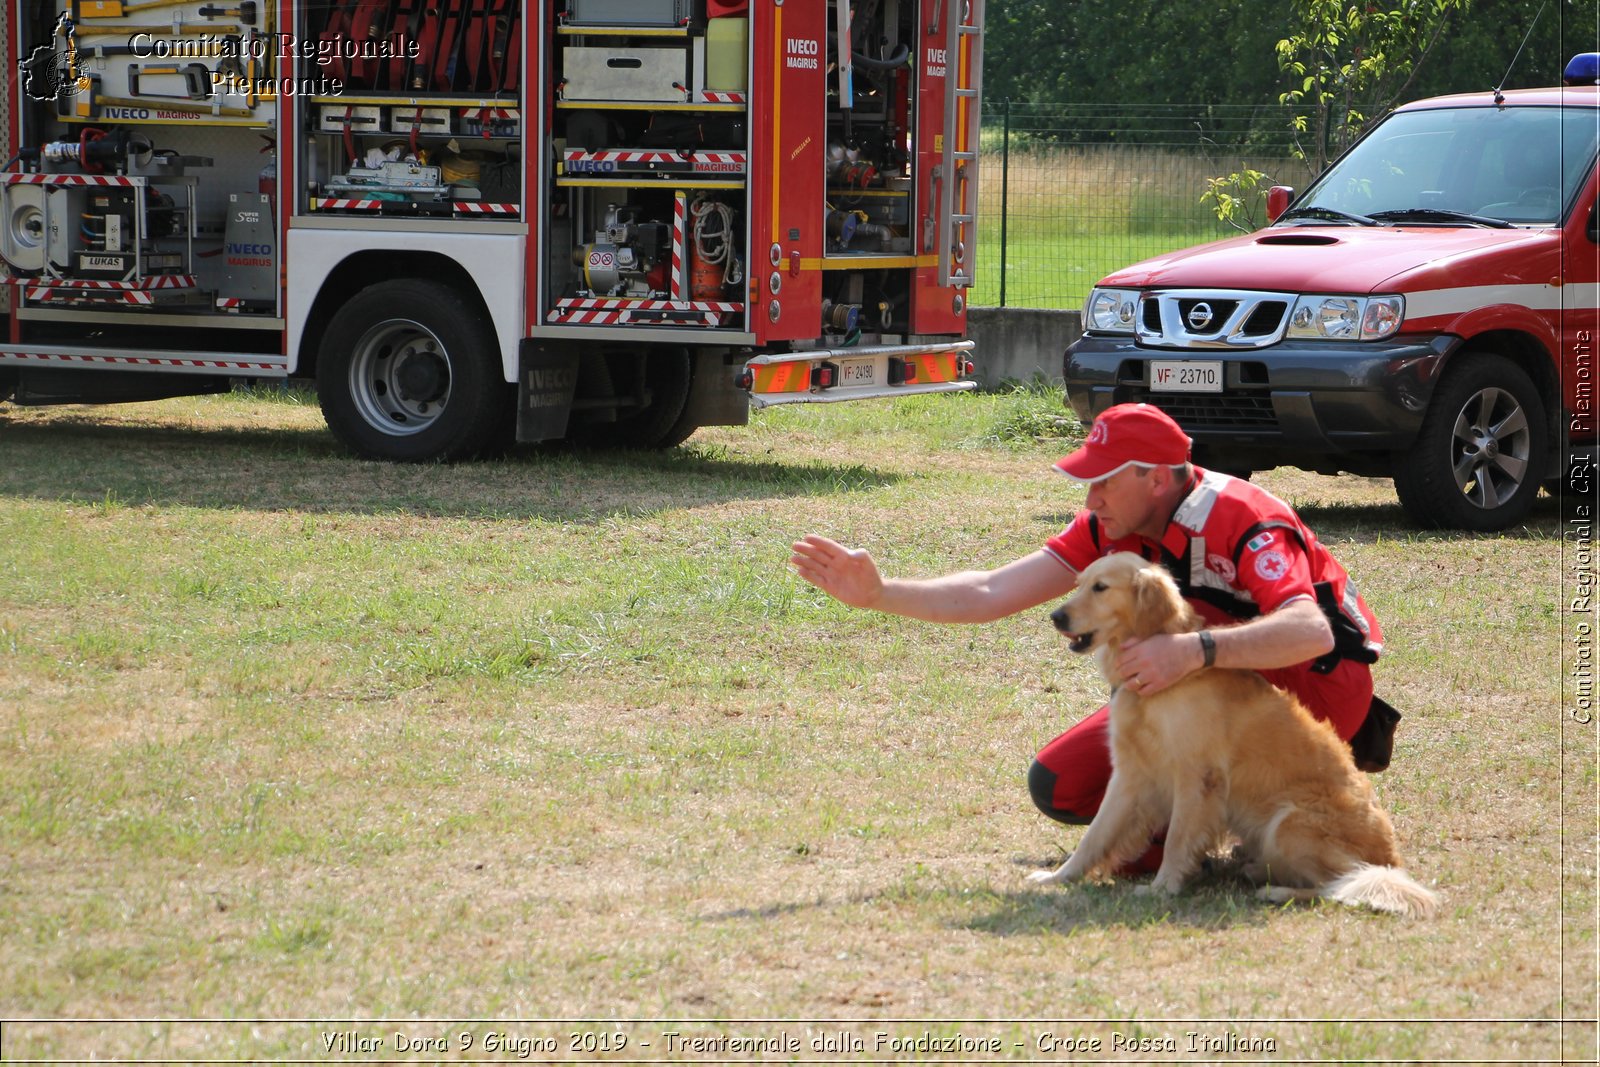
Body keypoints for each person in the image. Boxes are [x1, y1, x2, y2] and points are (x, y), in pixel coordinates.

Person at [790, 403, 1383, 868]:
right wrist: (881, 592)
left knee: (1182, 786)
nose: (1089, 498)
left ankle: (1274, 804)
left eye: (1104, 482)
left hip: (1317, 685)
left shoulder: (1240, 514)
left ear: (1154, 479)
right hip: (1210, 685)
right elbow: (991, 592)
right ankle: (1214, 834)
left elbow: (1311, 632)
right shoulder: (1110, 524)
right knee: (1062, 785)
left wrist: (1191, 651)